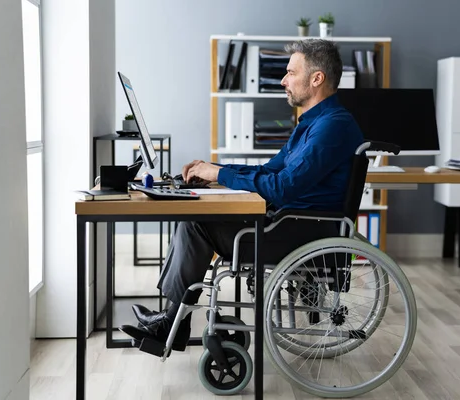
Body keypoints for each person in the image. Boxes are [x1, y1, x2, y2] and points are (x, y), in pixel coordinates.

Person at [119, 38, 365, 351]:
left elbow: (283, 186)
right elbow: (272, 169)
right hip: (293, 224)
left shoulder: (331, 127)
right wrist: (214, 168)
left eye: (290, 72)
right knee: (198, 219)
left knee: (196, 223)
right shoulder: (315, 124)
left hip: (302, 233)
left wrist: (219, 174)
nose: (283, 80)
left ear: (316, 79)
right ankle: (173, 321)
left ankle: (172, 323)